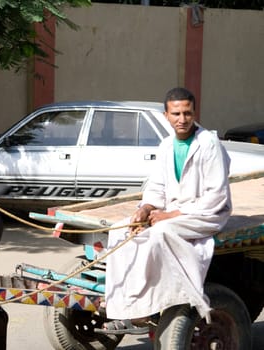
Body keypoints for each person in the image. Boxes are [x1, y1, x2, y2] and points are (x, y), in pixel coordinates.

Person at [96, 87, 232, 334]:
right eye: (176, 114)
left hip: (206, 215)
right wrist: (146, 208)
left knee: (160, 232)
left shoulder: (209, 144)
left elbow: (217, 196)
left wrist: (171, 215)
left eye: (187, 113)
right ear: (166, 116)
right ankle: (124, 304)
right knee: (120, 230)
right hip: (173, 213)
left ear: (194, 113)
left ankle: (155, 303)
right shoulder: (166, 145)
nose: (182, 119)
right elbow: (157, 186)